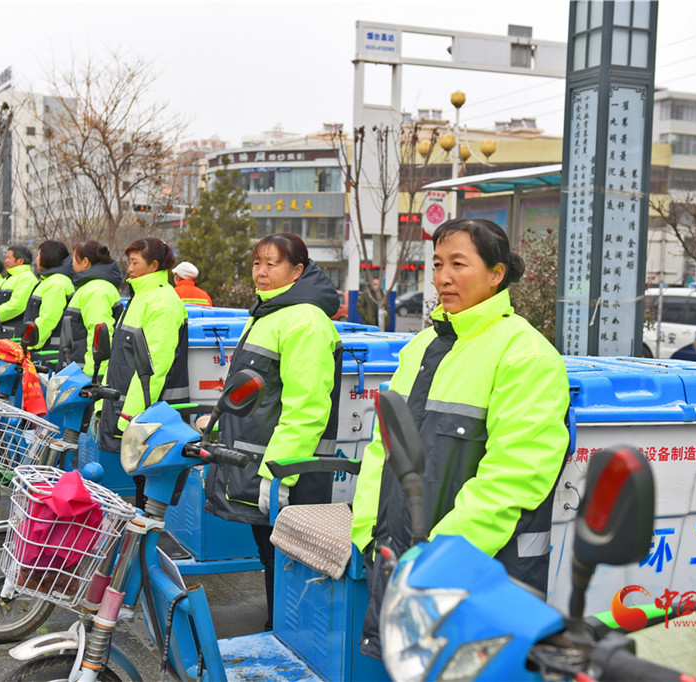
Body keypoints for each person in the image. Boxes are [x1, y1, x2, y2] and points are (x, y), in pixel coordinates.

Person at [350, 218, 570, 659]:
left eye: (458, 264)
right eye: (436, 264)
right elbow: (383, 448)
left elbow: (513, 478)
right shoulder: (422, 346)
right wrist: (367, 532)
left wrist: (434, 560)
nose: (443, 277)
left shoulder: (525, 355)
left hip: (472, 572)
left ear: (496, 274)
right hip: (403, 559)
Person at [204, 233, 343, 631]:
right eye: (257, 263)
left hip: (283, 472)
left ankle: (289, 634)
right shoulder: (270, 313)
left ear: (297, 271)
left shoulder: (305, 321)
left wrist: (279, 473)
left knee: (287, 561)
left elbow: (307, 406)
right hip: (256, 460)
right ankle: (278, 627)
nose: (261, 273)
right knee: (270, 557)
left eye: (273, 264)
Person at [96, 238, 189, 455]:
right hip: (125, 412)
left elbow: (154, 369)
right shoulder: (141, 297)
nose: (129, 269)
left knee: (142, 484)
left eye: (134, 263)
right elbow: (120, 358)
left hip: (143, 422)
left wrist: (129, 422)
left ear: (153, 266)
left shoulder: (163, 303)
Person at [64, 240, 124, 379]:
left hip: (85, 374)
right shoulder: (91, 286)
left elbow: (99, 335)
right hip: (81, 369)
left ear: (85, 262)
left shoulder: (96, 290)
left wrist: (93, 375)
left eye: (74, 258)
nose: (71, 263)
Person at [23, 240, 75, 360]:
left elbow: (48, 318)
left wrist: (29, 344)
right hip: (46, 349)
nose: (36, 259)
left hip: (48, 352)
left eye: (39, 255)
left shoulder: (56, 282)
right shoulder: (49, 280)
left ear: (48, 257)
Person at [0, 244, 39, 338]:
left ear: (20, 260)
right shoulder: (10, 278)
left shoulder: (27, 278)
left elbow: (16, 306)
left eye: (8, 257)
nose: (5, 261)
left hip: (11, 335)